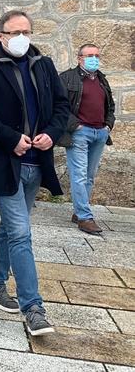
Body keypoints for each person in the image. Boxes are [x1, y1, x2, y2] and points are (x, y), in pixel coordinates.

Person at [0, 10, 69, 337]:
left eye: (26, 30)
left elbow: (62, 106)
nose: (22, 36)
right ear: (1, 36)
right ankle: (33, 307)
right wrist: (11, 138)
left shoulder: (45, 65)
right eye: (14, 32)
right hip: (6, 163)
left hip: (37, 164)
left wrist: (52, 133)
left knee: (12, 229)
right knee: (22, 233)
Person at [58, 43, 115, 235]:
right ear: (79, 58)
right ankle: (84, 217)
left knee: (89, 175)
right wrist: (76, 126)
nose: (94, 59)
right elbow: (59, 106)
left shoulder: (101, 79)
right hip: (80, 133)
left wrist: (108, 125)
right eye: (90, 55)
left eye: (97, 55)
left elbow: (110, 106)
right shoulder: (67, 78)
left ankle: (78, 211)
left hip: (100, 133)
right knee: (79, 175)